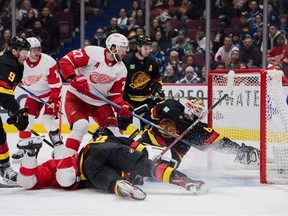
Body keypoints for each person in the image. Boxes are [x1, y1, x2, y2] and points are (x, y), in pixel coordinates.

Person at [17, 127, 207, 200]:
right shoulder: (115, 139)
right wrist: (138, 170)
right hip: (113, 153)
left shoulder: (85, 148)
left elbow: (32, 179)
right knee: (148, 168)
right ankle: (183, 180)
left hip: (90, 164)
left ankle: (121, 185)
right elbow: (142, 151)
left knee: (110, 180)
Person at [59, 33, 133, 156]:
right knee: (81, 126)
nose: (125, 52)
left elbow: (114, 94)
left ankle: (113, 164)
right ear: (113, 48)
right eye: (122, 48)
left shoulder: (122, 69)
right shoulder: (92, 52)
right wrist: (74, 78)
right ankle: (67, 163)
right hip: (77, 98)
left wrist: (122, 107)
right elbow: (66, 61)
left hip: (100, 103)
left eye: (126, 49)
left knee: (114, 133)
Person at [138, 98, 260, 168]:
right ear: (189, 106)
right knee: (132, 154)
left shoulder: (197, 128)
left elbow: (218, 141)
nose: (199, 113)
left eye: (201, 111)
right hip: (151, 139)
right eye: (197, 109)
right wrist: (145, 122)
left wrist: (238, 150)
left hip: (174, 152)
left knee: (158, 170)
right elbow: (152, 114)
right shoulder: (170, 105)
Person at [12, 37, 62, 162]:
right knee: (26, 121)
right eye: (33, 49)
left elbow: (56, 86)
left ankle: (59, 148)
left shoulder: (48, 62)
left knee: (48, 121)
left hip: (50, 94)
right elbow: (12, 80)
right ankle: (23, 148)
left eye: (38, 49)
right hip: (33, 95)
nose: (36, 52)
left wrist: (53, 101)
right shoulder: (20, 62)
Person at [118, 34, 165, 131]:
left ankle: (145, 140)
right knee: (122, 123)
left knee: (148, 124)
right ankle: (118, 139)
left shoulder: (152, 62)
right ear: (138, 47)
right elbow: (119, 80)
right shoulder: (126, 60)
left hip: (145, 100)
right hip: (128, 99)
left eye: (149, 48)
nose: (148, 51)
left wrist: (157, 89)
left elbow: (156, 79)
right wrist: (123, 93)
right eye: (145, 48)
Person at [0, 36, 30, 184]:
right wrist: (17, 111)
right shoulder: (8, 63)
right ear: (14, 51)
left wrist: (13, 111)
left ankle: (5, 170)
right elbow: (3, 94)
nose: (27, 55)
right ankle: (5, 170)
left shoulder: (18, 64)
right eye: (24, 51)